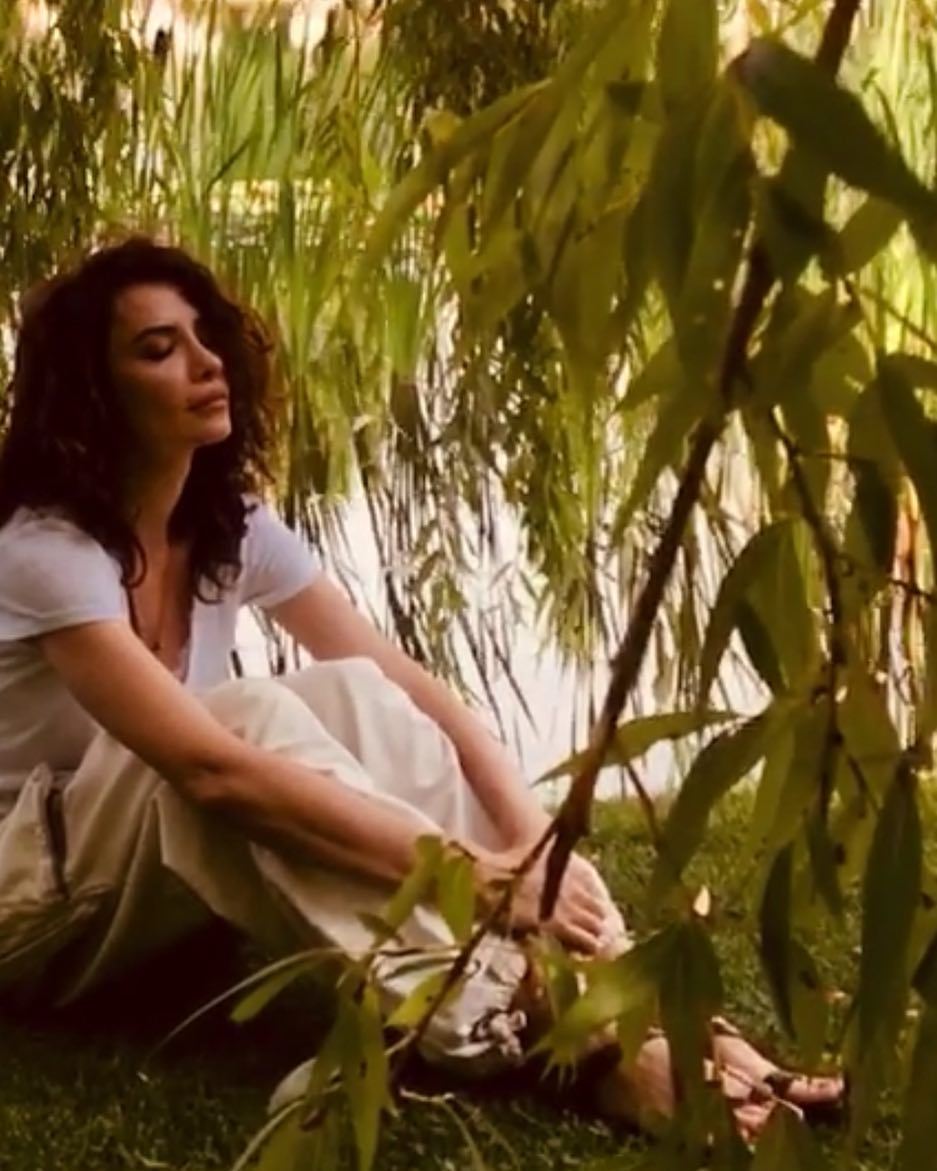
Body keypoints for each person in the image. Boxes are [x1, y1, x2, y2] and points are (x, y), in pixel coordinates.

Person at [0, 238, 840, 1145]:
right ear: (92, 395)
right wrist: (478, 878)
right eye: (158, 349)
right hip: (31, 914)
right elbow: (209, 770)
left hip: (145, 905)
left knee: (350, 691)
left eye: (207, 335)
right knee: (242, 723)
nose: (208, 362)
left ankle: (629, 995)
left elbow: (410, 688)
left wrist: (534, 849)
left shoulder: (226, 526)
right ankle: (569, 1038)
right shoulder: (45, 551)